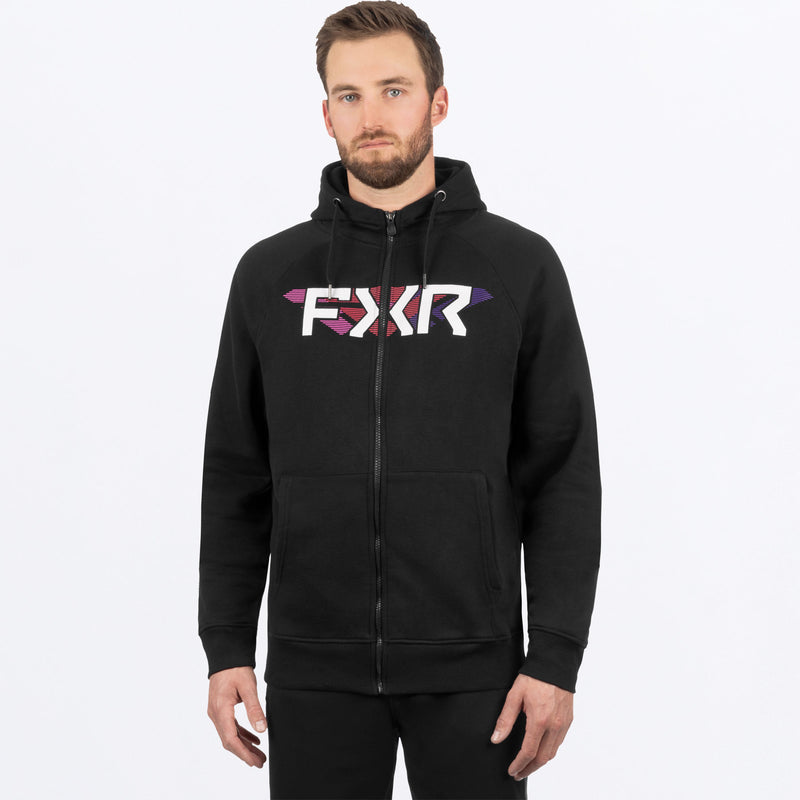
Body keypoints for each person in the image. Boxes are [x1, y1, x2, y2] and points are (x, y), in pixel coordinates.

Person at [198, 2, 602, 797]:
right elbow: (236, 472)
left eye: (394, 89)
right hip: (314, 667)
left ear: (437, 102)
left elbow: (563, 471)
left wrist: (555, 655)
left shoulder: (518, 267)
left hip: (477, 670)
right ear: (326, 114)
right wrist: (226, 646)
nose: (371, 116)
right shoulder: (270, 276)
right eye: (348, 95)